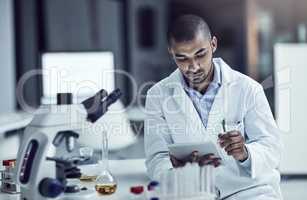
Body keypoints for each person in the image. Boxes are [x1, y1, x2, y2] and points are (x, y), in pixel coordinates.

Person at [144, 14, 283, 199]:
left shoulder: (248, 89)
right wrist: (177, 172)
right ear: (171, 51)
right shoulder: (157, 95)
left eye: (200, 54)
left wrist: (245, 153)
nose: (193, 66)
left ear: (213, 44)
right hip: (192, 191)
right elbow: (156, 158)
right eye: (182, 58)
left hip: (249, 191)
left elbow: (272, 148)